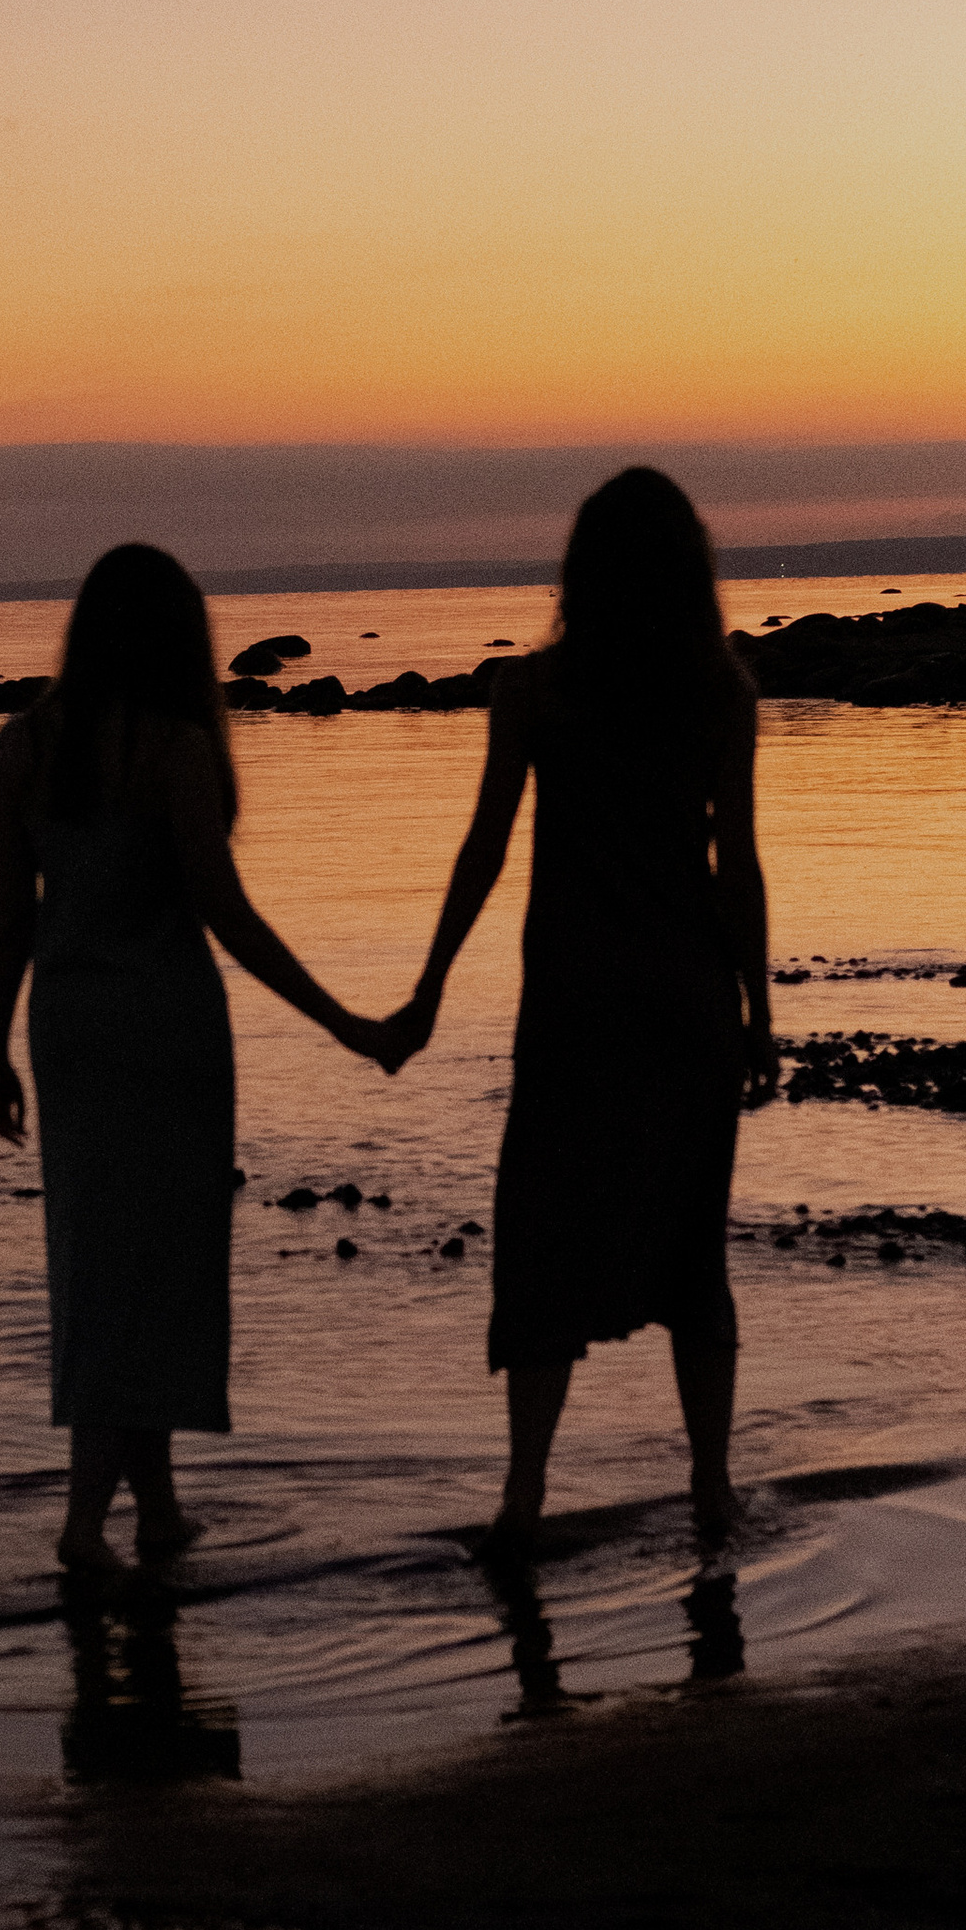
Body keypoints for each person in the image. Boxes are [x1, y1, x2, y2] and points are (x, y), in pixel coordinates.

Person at [0, 542, 398, 1576]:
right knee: (155, 1271)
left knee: (96, 1265)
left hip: (69, 1031)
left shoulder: (21, 744)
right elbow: (223, 912)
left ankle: (158, 1507)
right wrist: (341, 1018)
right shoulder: (171, 748)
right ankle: (85, 1523)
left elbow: (10, 909)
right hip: (165, 1032)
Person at [386, 468, 779, 1550]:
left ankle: (523, 1494)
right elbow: (734, 865)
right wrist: (757, 1009)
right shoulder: (721, 693)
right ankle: (709, 1489)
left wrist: (427, 989)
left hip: (572, 1008)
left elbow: (482, 851)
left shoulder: (534, 693)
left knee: (544, 1247)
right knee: (693, 1253)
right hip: (685, 1003)